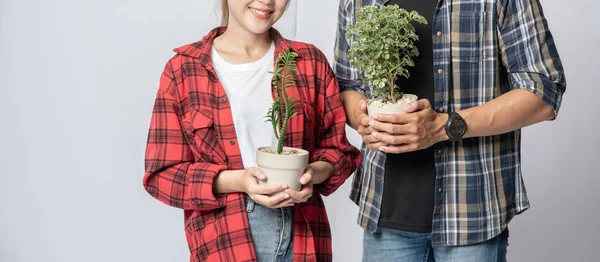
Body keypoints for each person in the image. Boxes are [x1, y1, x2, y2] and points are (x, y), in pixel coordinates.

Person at [334, 0, 565, 261]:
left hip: (472, 214)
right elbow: (346, 84)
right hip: (385, 216)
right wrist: (363, 120)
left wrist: (444, 127)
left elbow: (543, 92)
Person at [143, 0, 360, 261]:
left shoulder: (309, 61)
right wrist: (239, 181)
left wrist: (310, 175)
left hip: (303, 233)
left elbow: (338, 152)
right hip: (226, 238)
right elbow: (162, 176)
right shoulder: (183, 70)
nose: (267, 1)